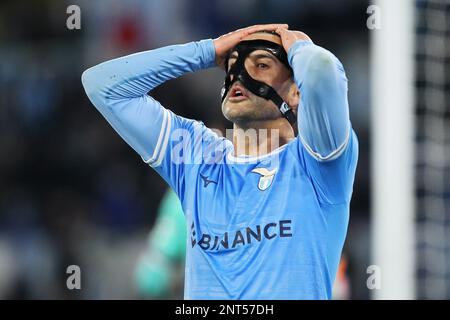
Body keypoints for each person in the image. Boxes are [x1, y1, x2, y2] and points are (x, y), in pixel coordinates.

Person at [82, 24, 358, 299]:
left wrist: (299, 45)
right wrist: (205, 51)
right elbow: (102, 86)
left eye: (261, 65)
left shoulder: (317, 161)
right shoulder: (195, 157)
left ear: (296, 92)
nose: (239, 77)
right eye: (232, 67)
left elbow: (321, 70)